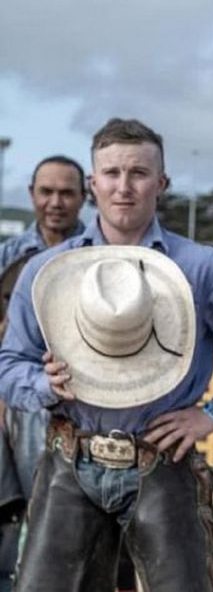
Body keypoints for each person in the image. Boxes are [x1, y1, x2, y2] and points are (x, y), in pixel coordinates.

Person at [0, 118, 213, 591]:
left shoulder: (201, 269)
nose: (124, 186)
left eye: (138, 173)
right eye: (111, 174)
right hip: (70, 457)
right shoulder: (44, 274)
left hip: (162, 461)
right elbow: (9, 365)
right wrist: (42, 384)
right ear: (93, 184)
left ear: (162, 184)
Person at [0, 155, 87, 592]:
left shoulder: (95, 255)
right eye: (46, 192)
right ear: (32, 195)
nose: (56, 202)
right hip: (12, 398)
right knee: (8, 512)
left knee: (56, 512)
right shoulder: (9, 256)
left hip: (77, 401)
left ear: (84, 197)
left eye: (66, 193)